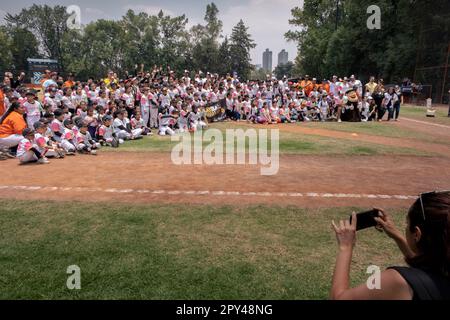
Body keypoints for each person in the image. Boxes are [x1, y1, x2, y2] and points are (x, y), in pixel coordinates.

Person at [330, 191, 450, 300]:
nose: (405, 227)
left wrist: (345, 247)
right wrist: (396, 235)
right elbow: (428, 269)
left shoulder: (398, 281)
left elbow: (339, 298)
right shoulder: (442, 267)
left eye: (407, 223)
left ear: (417, 234)